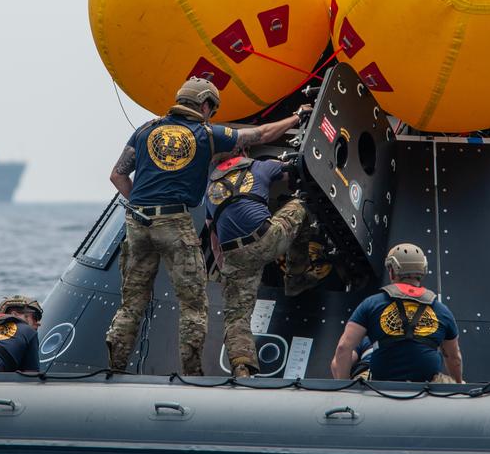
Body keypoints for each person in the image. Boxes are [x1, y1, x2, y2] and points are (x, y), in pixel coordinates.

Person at [105, 77, 306, 375]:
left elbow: (117, 176)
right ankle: (192, 373)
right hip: (174, 223)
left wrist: (143, 204)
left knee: (131, 302)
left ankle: (115, 367)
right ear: (205, 105)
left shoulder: (145, 130)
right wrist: (298, 116)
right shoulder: (207, 134)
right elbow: (261, 134)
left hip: (137, 222)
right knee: (193, 304)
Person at [206, 150, 313, 377]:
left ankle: (242, 368)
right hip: (267, 239)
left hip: (234, 254)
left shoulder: (210, 191)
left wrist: (225, 268)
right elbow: (289, 170)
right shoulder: (259, 167)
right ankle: (295, 279)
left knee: (236, 317)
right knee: (301, 205)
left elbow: (214, 239)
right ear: (241, 154)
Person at [329, 243, 463, 383]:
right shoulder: (443, 311)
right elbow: (454, 359)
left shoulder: (371, 304)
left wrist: (343, 387)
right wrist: (459, 384)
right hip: (427, 387)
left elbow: (344, 348)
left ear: (392, 271)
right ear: (423, 270)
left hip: (380, 384)